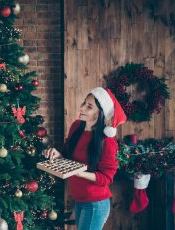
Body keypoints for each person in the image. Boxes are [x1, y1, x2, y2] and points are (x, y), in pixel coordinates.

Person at [44, 87, 126, 230]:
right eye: (84, 103)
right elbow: (67, 157)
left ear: (99, 113)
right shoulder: (76, 126)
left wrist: (78, 172)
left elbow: (106, 177)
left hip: (95, 203)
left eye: (89, 107)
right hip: (80, 198)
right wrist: (57, 154)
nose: (82, 108)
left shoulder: (107, 141)